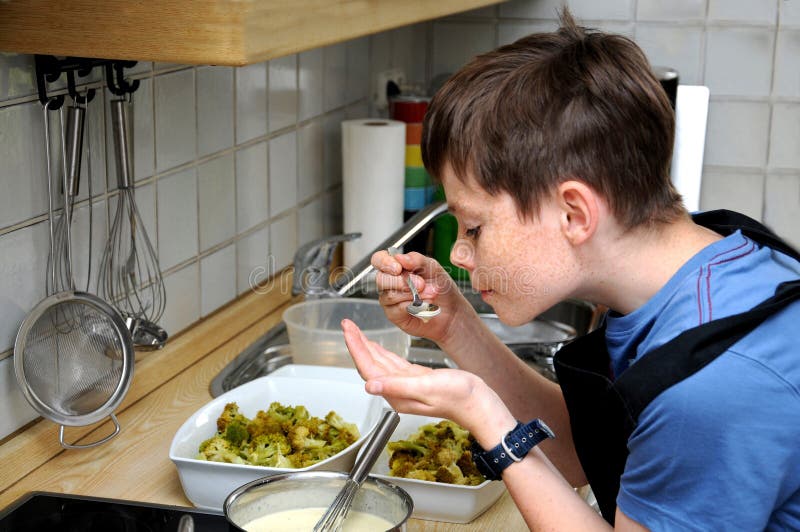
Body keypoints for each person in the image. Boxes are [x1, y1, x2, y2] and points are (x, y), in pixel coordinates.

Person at [340, 8, 800, 532]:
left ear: (574, 214)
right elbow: (588, 452)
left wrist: (484, 417)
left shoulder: (713, 388)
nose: (460, 256)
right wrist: (455, 326)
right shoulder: (695, 271)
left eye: (474, 228)